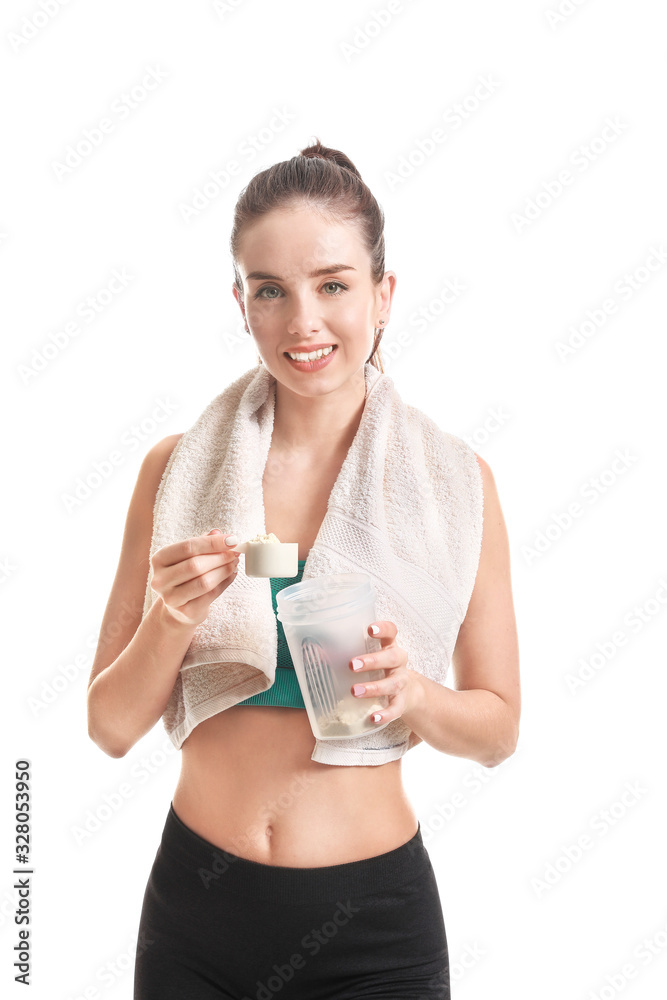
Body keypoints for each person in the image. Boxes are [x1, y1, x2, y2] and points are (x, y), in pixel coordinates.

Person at [87, 138, 520, 999]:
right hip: (196, 922)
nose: (302, 322)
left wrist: (415, 696)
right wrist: (170, 621)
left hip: (373, 933)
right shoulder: (174, 473)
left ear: (382, 295)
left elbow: (498, 730)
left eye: (332, 284)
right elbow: (108, 726)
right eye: (270, 291)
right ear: (240, 303)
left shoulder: (455, 486)